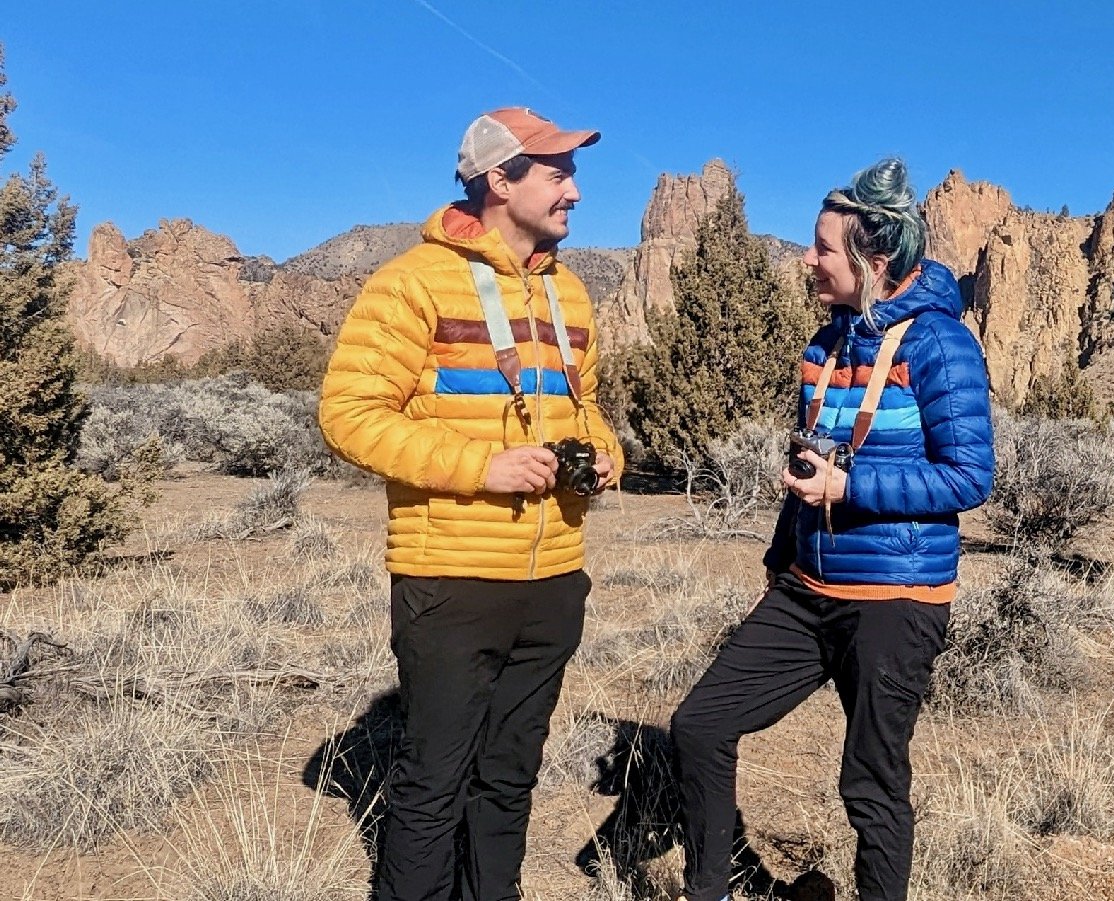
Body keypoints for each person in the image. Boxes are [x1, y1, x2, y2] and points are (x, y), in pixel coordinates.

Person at [318, 106, 623, 901]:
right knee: (432, 784)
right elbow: (348, 414)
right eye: (557, 174)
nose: (574, 193)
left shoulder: (574, 295)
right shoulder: (411, 282)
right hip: (450, 579)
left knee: (510, 776)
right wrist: (480, 468)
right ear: (499, 179)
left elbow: (583, 407)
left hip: (554, 578)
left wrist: (605, 456)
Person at [670, 157, 994, 901]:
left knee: (871, 783)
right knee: (699, 725)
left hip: (895, 598)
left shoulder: (938, 346)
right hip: (807, 588)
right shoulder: (826, 346)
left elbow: (969, 476)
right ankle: (710, 891)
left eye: (821, 248)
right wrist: (782, 554)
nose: (805, 259)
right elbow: (809, 463)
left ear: (873, 260)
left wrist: (851, 485)